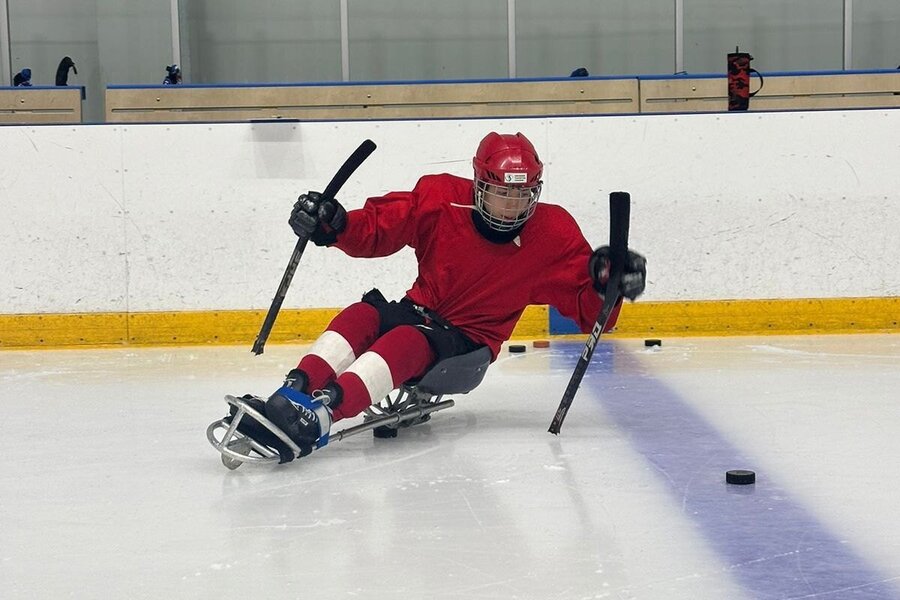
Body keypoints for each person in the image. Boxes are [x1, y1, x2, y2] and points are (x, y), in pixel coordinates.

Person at [231, 132, 647, 462]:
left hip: (469, 342)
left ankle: (321, 413)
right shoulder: (441, 197)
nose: (512, 208)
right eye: (503, 194)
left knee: (406, 341)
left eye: (522, 196)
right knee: (362, 316)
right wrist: (334, 226)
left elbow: (593, 314)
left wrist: (607, 285)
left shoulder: (553, 232)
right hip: (418, 311)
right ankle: (292, 393)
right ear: (479, 184)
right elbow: (382, 226)